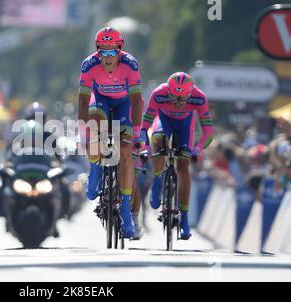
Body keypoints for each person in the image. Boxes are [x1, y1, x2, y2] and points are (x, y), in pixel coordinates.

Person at [78, 27, 144, 238]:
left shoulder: (130, 64)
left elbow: (135, 100)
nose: (107, 57)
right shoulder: (89, 64)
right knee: (95, 123)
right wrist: (83, 128)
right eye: (102, 51)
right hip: (100, 101)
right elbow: (82, 99)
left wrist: (135, 130)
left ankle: (125, 207)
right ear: (97, 50)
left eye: (111, 51)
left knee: (125, 152)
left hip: (125, 104)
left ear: (120, 49)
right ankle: (95, 170)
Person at [141, 72, 214, 239]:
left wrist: (197, 149)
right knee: (158, 140)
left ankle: (185, 220)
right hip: (163, 122)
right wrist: (145, 146)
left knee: (183, 167)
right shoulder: (158, 94)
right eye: (174, 97)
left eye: (183, 98)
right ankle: (157, 181)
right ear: (168, 92)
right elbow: (144, 127)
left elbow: (208, 131)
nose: (179, 103)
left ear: (190, 93)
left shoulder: (199, 97)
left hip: (185, 125)